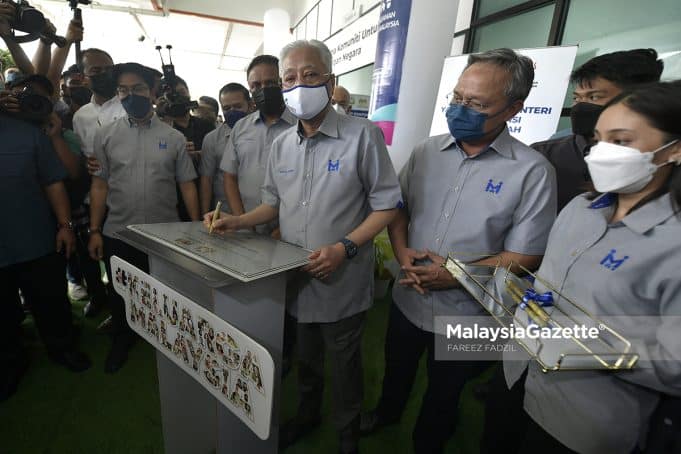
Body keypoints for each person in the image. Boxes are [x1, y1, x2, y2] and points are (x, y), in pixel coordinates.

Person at [207, 39, 403, 454]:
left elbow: (387, 205)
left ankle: (347, 437)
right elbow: (272, 205)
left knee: (345, 366)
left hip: (342, 279)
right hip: (294, 277)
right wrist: (236, 221)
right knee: (307, 361)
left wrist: (344, 248)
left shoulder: (362, 136)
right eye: (289, 78)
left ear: (330, 82)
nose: (299, 85)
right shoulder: (281, 144)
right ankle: (307, 416)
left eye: (310, 75)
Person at [360, 48, 557, 454]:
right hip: (408, 295)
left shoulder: (533, 171)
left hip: (471, 312)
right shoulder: (426, 152)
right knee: (397, 368)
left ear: (513, 108)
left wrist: (455, 274)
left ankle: (428, 442)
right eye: (457, 99)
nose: (461, 110)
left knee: (445, 392)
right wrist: (402, 257)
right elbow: (397, 210)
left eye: (476, 104)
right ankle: (387, 413)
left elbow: (526, 255)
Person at [482, 81, 681, 454]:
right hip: (517, 378)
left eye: (621, 142)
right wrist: (519, 297)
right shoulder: (580, 209)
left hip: (585, 420)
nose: (603, 152)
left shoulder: (673, 243)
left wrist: (587, 345)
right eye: (599, 139)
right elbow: (549, 289)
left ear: (674, 149)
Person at [87, 62, 200, 373]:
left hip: (165, 236)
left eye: (136, 88)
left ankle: (166, 344)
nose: (129, 95)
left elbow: (186, 185)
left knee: (165, 294)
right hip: (118, 233)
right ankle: (122, 340)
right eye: (123, 90)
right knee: (121, 292)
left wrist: (197, 227)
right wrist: (95, 230)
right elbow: (99, 184)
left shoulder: (174, 137)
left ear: (152, 92)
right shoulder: (105, 135)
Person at [1, 85, 91, 402]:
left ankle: (62, 348)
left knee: (50, 300)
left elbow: (53, 181)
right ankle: (11, 362)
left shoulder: (28, 133)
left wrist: (65, 226)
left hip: (35, 238)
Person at [532, 49, 663, 212]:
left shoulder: (661, 154)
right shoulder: (544, 155)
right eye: (577, 98)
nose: (580, 106)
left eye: (594, 97)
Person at [219, 54, 297, 235]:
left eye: (270, 83)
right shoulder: (241, 127)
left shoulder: (301, 126)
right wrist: (242, 221)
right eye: (256, 85)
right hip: (247, 227)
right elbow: (230, 176)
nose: (263, 89)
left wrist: (281, 230)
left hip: (290, 229)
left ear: (283, 82)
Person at [163, 75, 214, 219]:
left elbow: (218, 154)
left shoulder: (206, 125)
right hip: (175, 198)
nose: (178, 97)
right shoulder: (163, 131)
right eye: (172, 94)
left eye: (182, 92)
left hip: (206, 191)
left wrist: (198, 154)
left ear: (189, 93)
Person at [198, 82, 253, 214]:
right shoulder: (212, 139)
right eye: (227, 108)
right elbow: (207, 179)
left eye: (238, 106)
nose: (232, 111)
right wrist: (204, 215)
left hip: (259, 211)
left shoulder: (265, 132)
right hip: (225, 214)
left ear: (250, 105)